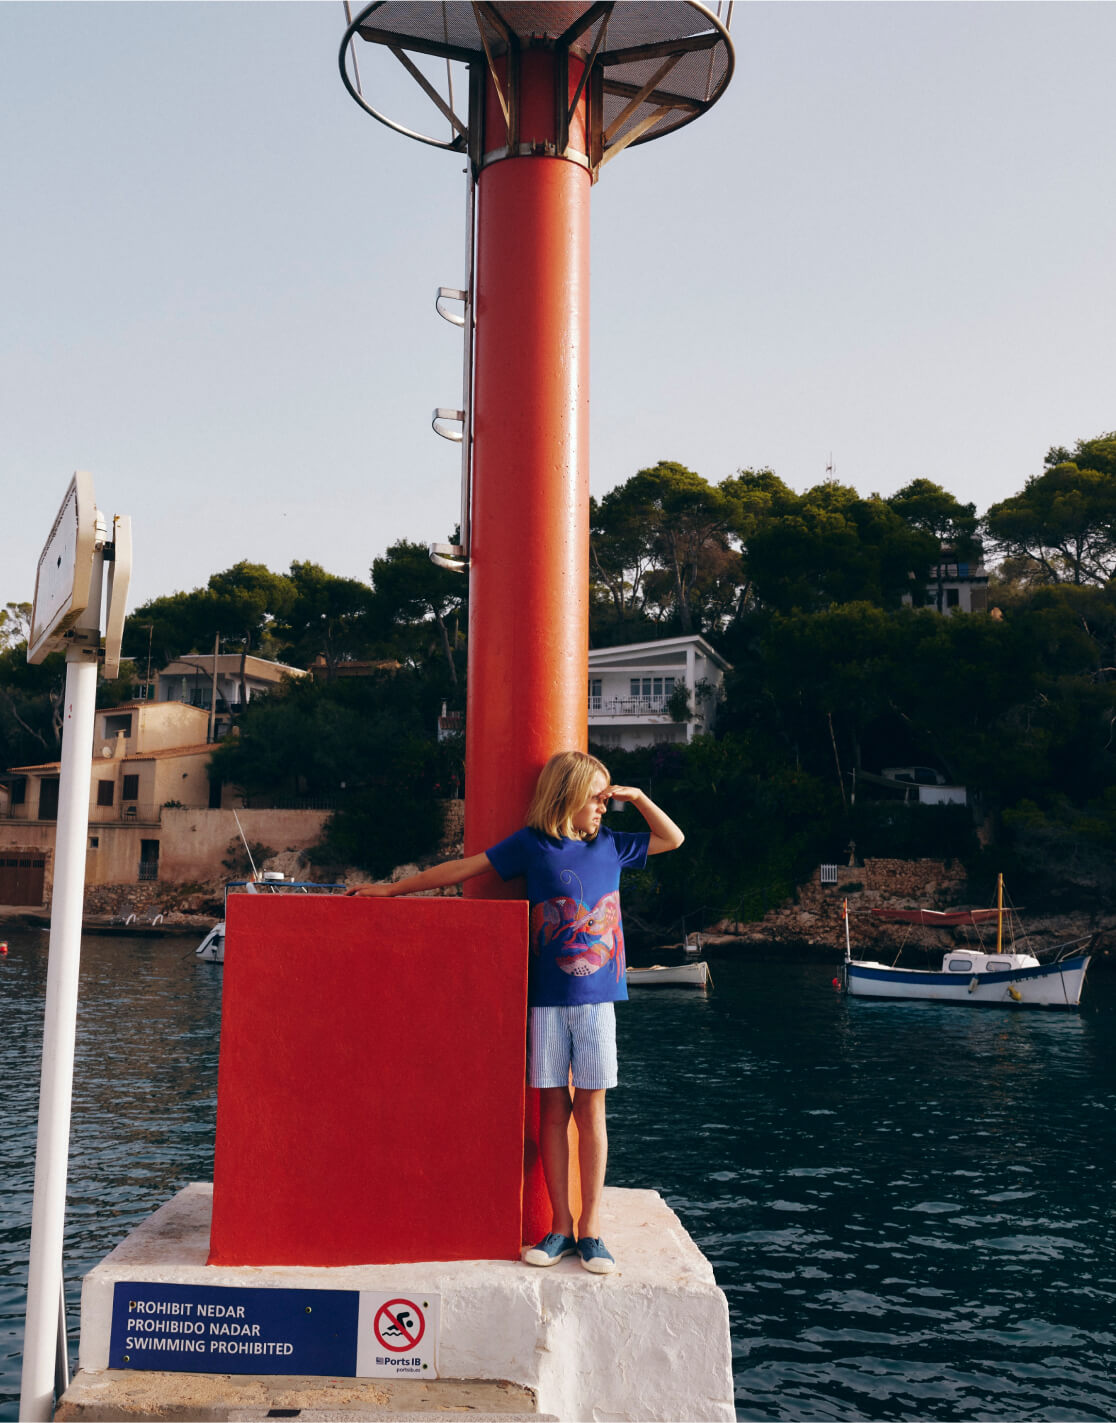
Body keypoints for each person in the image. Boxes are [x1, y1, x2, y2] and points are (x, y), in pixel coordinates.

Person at [347, 749, 684, 1275]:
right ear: (566, 796)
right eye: (596, 798)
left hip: (599, 1002)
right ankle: (561, 1227)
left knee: (591, 1113)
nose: (603, 806)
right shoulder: (534, 846)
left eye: (606, 798)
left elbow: (673, 839)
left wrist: (636, 797)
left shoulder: (612, 845)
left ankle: (593, 1230)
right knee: (552, 1112)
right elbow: (464, 868)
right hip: (546, 1000)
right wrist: (393, 889)